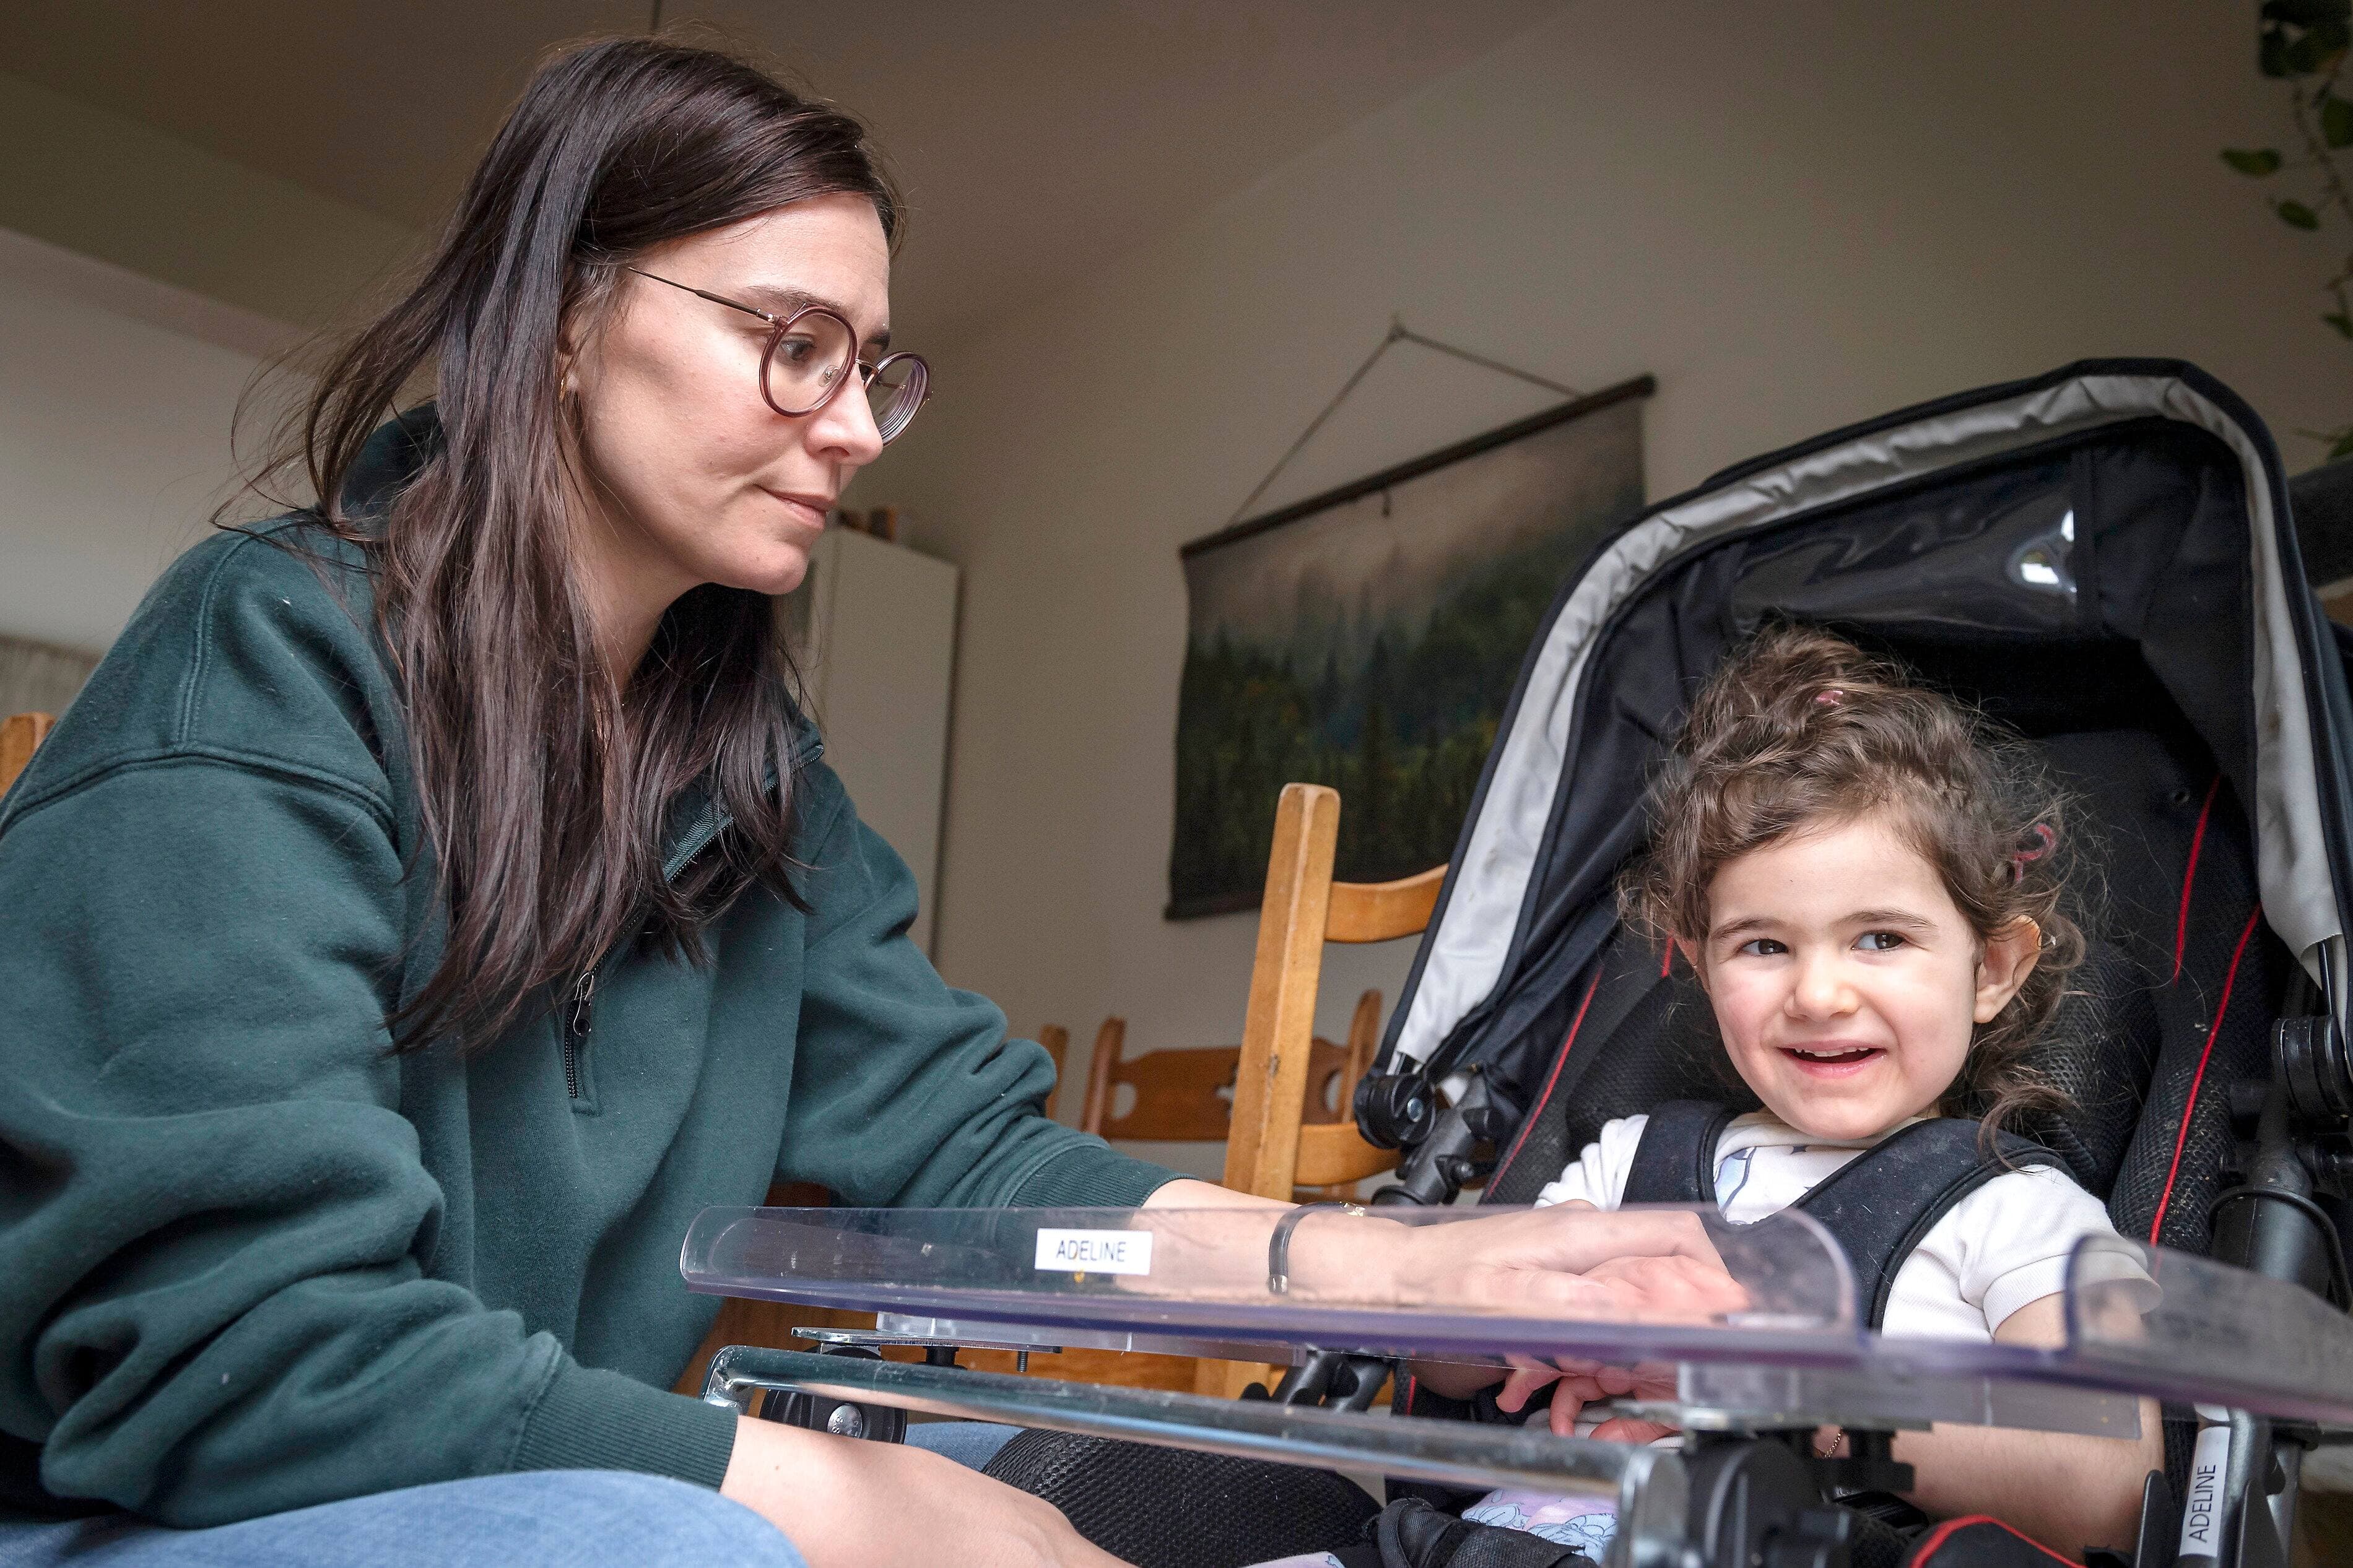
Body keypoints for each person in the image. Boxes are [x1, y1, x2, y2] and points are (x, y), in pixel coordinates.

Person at [0, 37, 1727, 1568]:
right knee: (716, 1540)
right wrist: (835, 1499)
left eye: (872, 366)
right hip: (159, 1491)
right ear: (560, 321)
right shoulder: (263, 658)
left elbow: (975, 1158)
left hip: (478, 1464)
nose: (854, 427)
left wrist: (1406, 1273)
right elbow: (243, 1353)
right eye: (790, 343)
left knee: (1226, 1480)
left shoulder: (754, 785)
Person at [1251, 625, 2166, 1568]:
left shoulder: (2019, 1212)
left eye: (1881, 938)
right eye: (1763, 945)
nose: (1818, 993)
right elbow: (1445, 1365)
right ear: (1698, 961)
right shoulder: (1629, 1157)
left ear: (1993, 967)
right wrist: (1558, 1322)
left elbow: (2108, 1486)